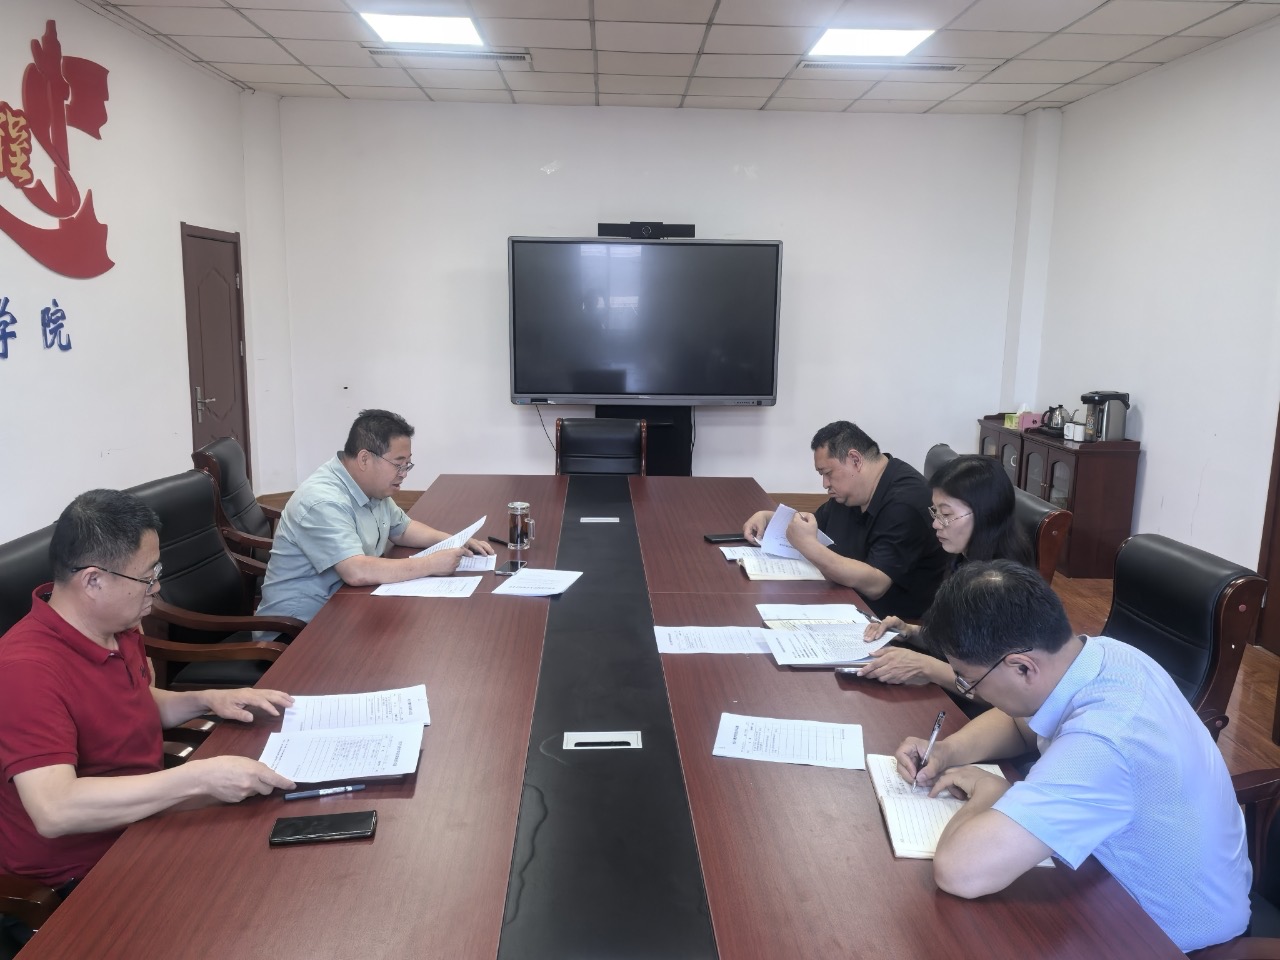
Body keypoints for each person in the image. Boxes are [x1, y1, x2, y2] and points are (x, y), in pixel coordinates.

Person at [892, 560, 1250, 953]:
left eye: (969, 680)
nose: (970, 690)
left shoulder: (1102, 741)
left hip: (1162, 933)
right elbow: (1021, 723)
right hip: (1118, 879)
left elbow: (961, 872)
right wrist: (948, 751)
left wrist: (992, 793)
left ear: (1023, 667)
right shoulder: (1104, 655)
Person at [0, 490, 295, 918]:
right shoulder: (25, 670)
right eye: (147, 576)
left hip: (145, 816)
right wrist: (198, 777)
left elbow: (134, 704)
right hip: (82, 874)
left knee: (278, 835)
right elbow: (55, 809)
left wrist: (207, 699)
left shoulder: (117, 625)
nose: (156, 586)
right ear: (93, 581)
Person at [257, 408, 494, 623]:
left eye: (408, 464)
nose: (404, 473)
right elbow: (356, 571)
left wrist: (453, 541)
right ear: (364, 459)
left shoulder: (371, 486)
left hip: (345, 607)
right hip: (298, 629)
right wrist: (431, 564)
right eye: (398, 464)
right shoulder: (323, 501)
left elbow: (402, 529)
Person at [741, 420, 947, 619]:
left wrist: (810, 547)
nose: (825, 483)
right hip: (847, 601)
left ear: (855, 460)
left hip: (893, 624)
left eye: (827, 473)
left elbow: (877, 584)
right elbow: (815, 527)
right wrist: (771, 518)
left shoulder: (905, 503)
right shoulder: (853, 492)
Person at [858, 454, 1033, 687]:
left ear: (985, 514)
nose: (936, 524)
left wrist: (925, 667)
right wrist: (909, 631)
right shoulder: (963, 558)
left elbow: (998, 688)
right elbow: (959, 643)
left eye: (946, 515)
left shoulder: (1004, 584)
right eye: (935, 512)